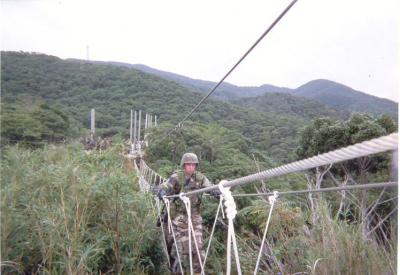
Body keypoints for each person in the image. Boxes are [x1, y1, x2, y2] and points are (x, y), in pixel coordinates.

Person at [158, 152, 221, 274]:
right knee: (181, 248)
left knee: (197, 248)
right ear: (184, 165)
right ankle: (177, 268)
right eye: (188, 165)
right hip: (179, 216)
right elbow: (166, 186)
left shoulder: (200, 177)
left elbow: (209, 186)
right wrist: (162, 193)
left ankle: (197, 271)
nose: (191, 167)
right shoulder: (177, 177)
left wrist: (216, 192)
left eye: (193, 165)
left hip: (194, 216)